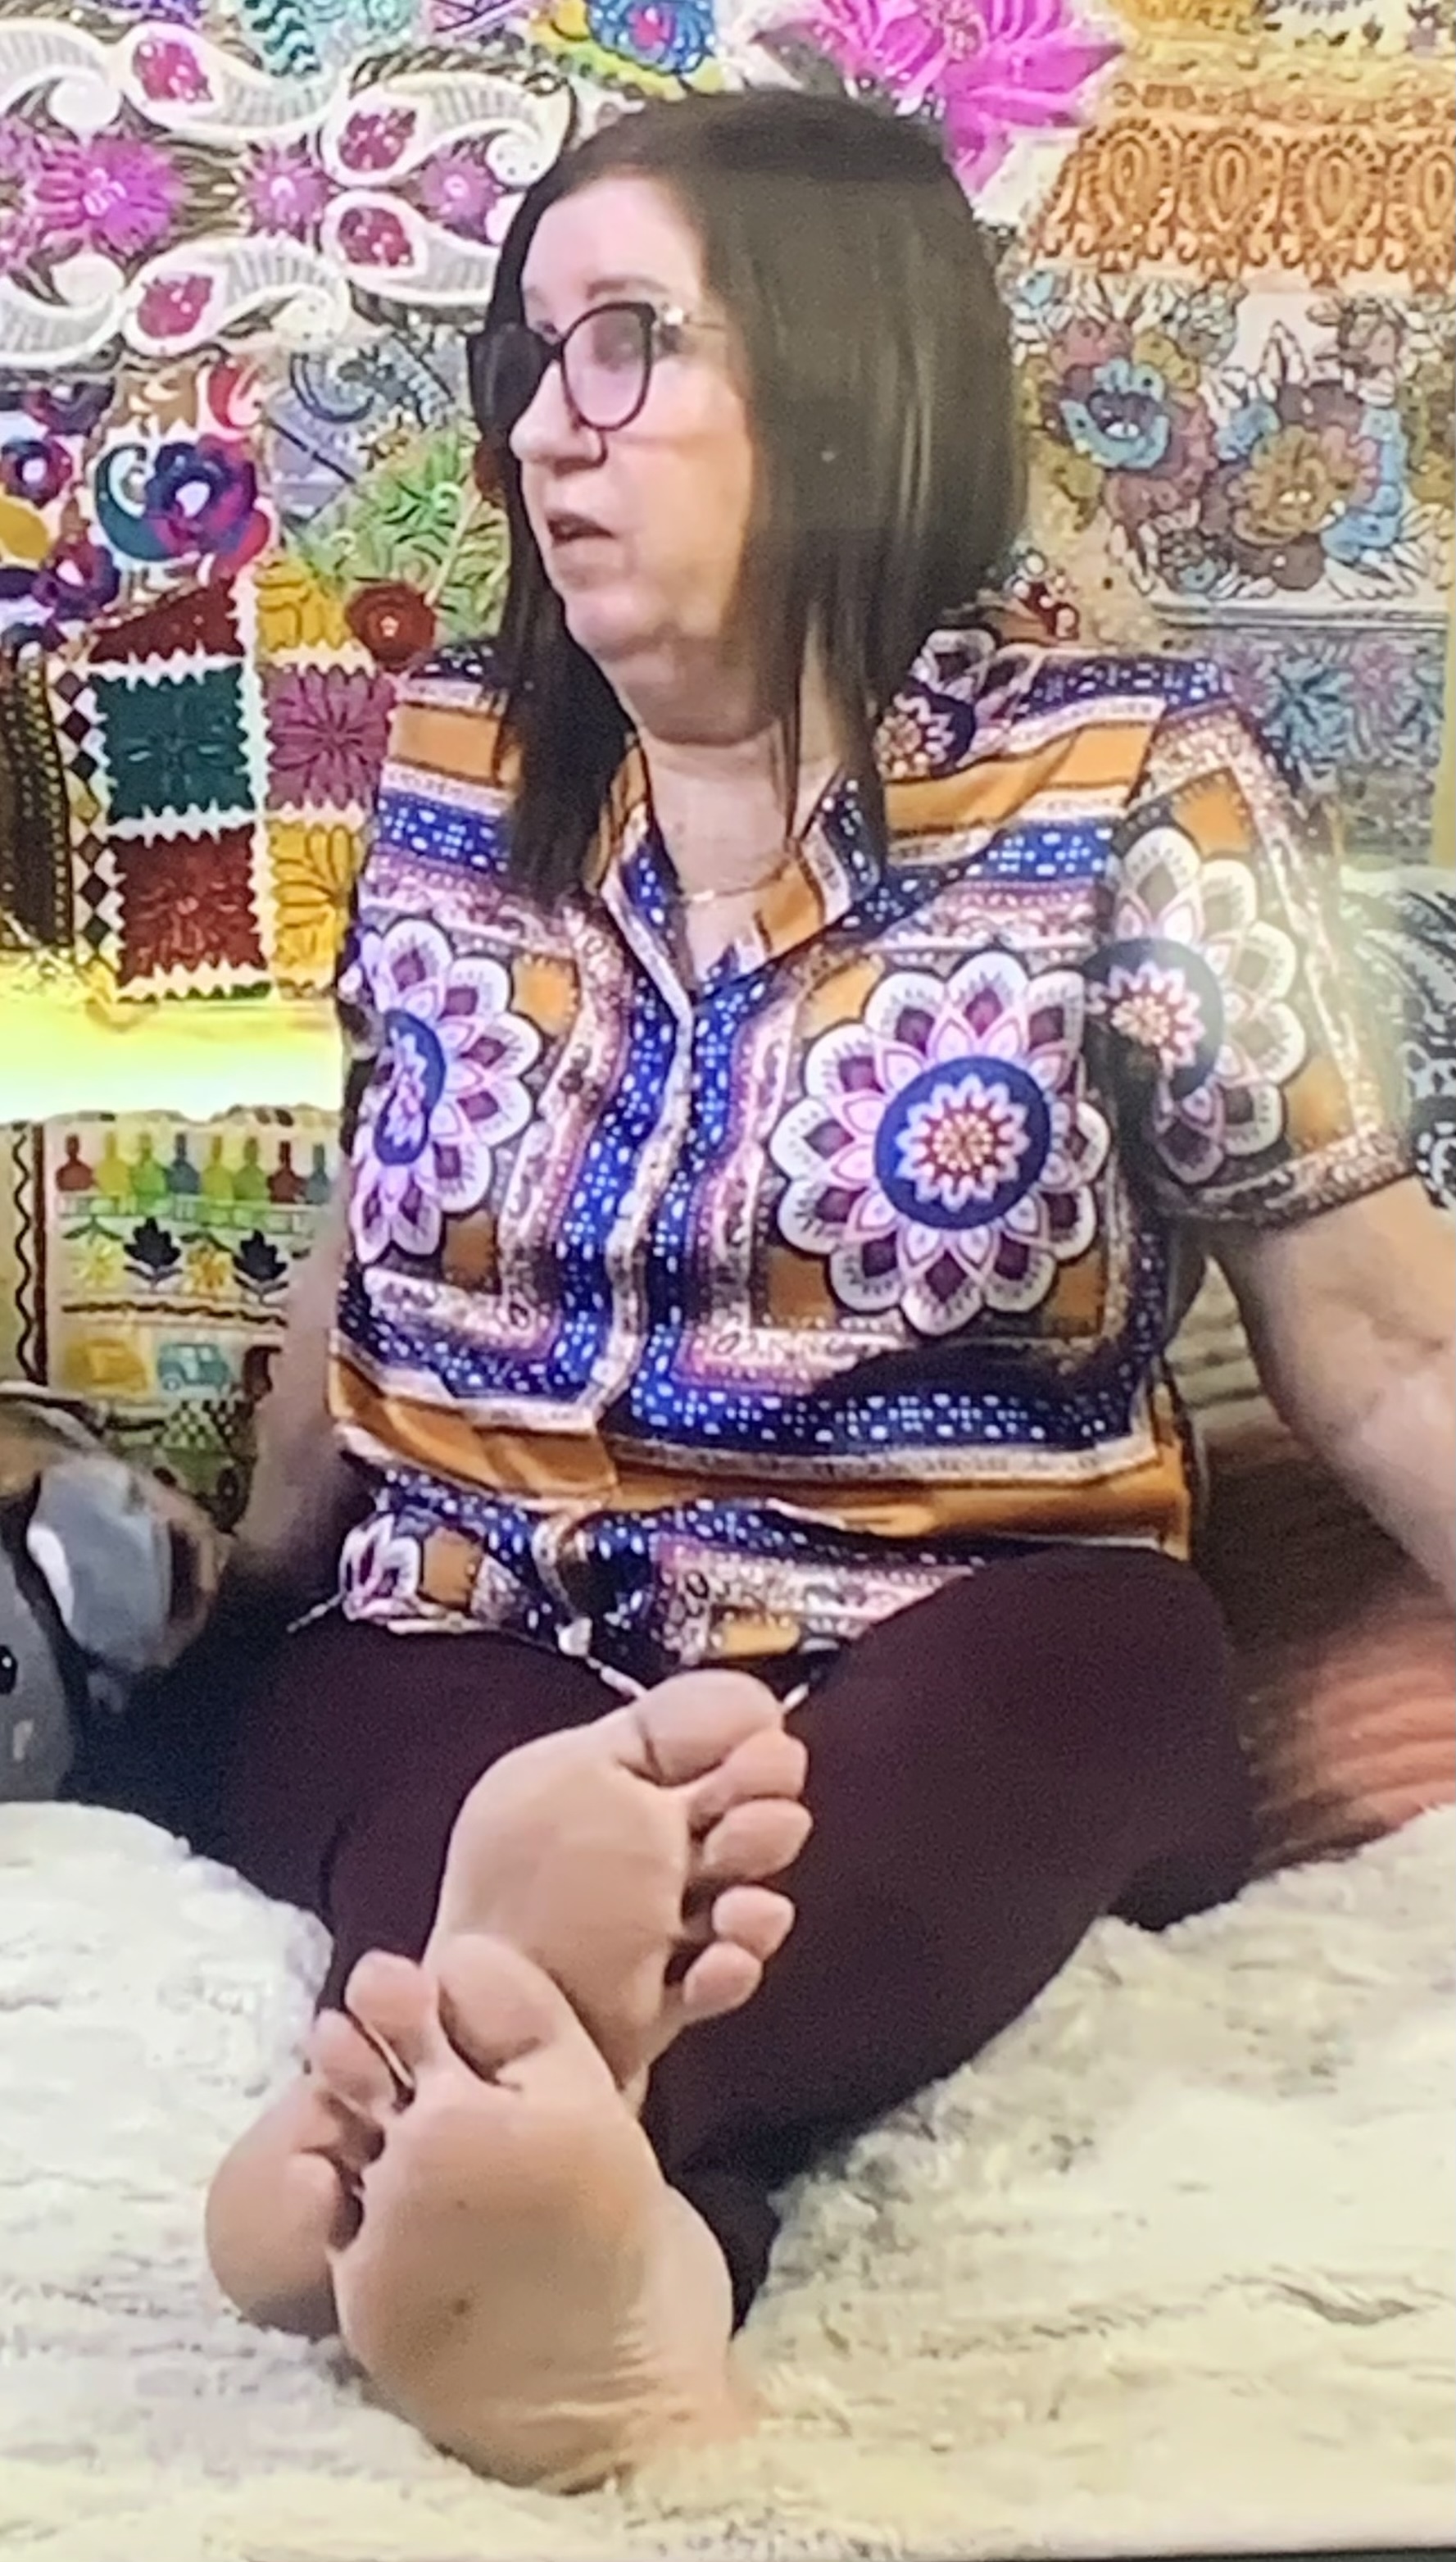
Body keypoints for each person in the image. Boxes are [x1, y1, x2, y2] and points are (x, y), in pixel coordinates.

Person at [113, 90, 1454, 2494]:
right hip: (481, 1607)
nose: (547, 426)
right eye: (530, 358)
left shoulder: (1137, 792)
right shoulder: (447, 775)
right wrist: (245, 1590)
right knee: (446, 1763)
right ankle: (633, 2236)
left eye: (628, 344)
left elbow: (1388, 1345)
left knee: (1095, 1666)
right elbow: (365, 1261)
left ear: (847, 382)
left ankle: (456, 2129)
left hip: (968, 1633)